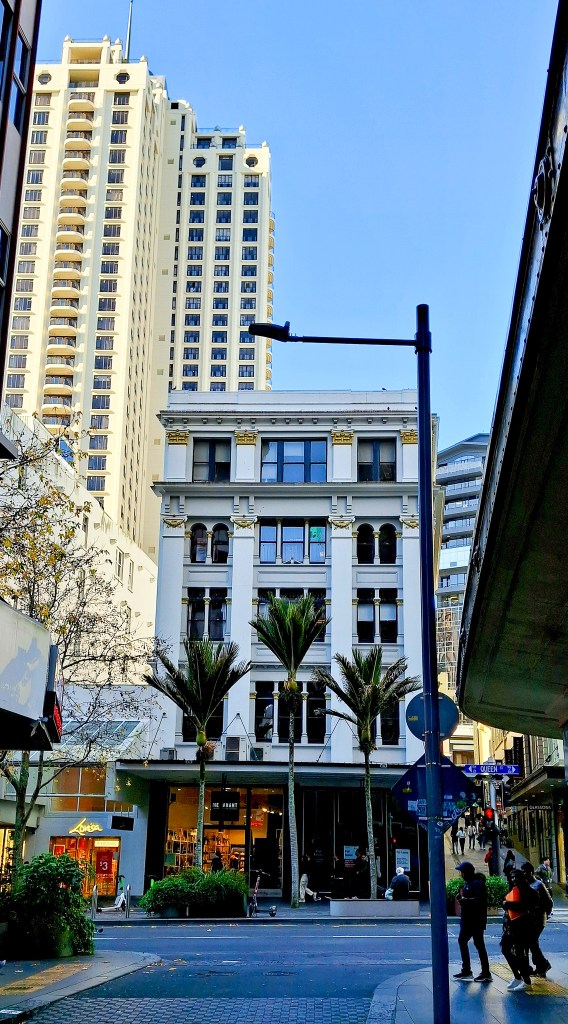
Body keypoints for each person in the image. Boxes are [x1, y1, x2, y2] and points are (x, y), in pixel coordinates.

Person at [453, 861, 492, 983]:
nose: (461, 874)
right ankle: (468, 970)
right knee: (468, 942)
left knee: (478, 944)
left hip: (475, 920)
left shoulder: (477, 884)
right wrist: (463, 901)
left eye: (462, 872)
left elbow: (480, 900)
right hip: (468, 919)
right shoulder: (468, 884)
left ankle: (484, 972)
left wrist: (466, 901)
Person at [501, 869, 538, 991]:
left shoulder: (528, 891)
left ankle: (526, 981)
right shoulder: (514, 890)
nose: (513, 880)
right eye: (512, 877)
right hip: (511, 927)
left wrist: (508, 905)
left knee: (520, 953)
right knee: (507, 949)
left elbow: (524, 907)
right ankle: (518, 977)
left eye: (516, 877)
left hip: (522, 927)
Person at [521, 862, 553, 977]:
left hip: (538, 918)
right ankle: (541, 965)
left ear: (531, 872)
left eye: (526, 871)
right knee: (532, 942)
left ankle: (543, 964)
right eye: (523, 871)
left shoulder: (538, 884)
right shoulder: (526, 885)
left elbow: (549, 902)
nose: (524, 874)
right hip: (529, 919)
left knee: (532, 942)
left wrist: (544, 914)